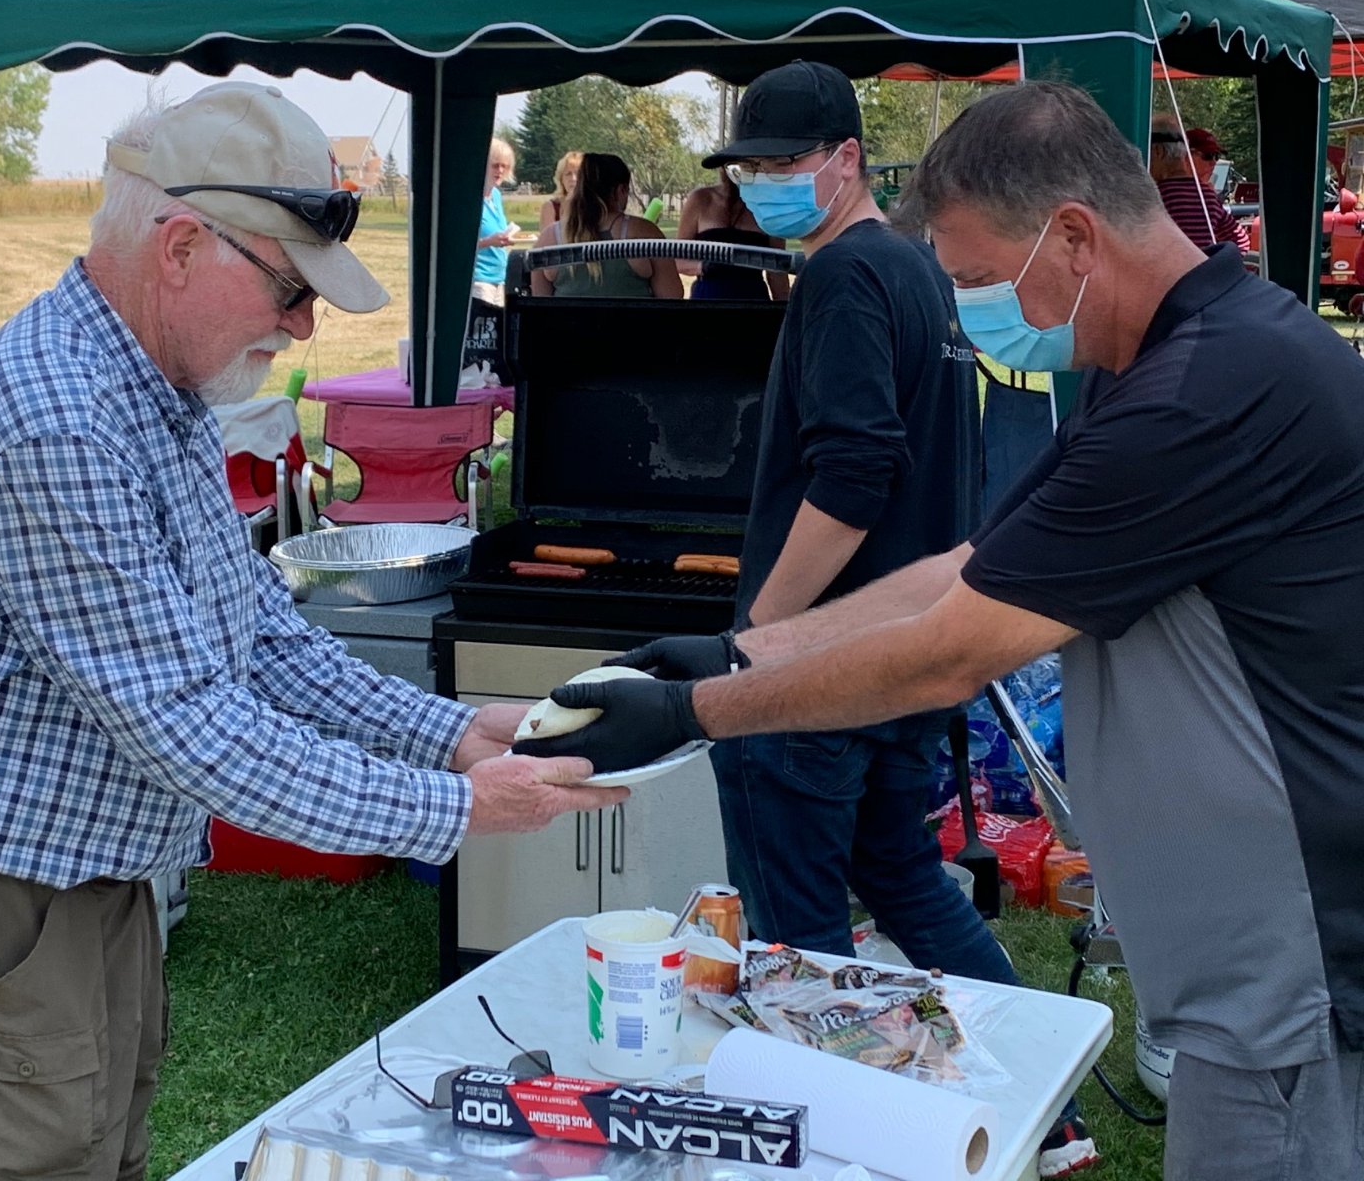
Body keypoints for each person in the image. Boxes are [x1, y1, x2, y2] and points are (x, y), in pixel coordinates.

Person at [521, 79, 1364, 1181]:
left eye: (972, 279)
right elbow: (965, 568)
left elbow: (953, 649)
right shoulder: (1157, 366)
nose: (965, 307)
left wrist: (695, 712)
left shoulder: (1206, 393)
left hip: (1295, 970)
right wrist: (740, 651)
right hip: (1246, 964)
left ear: (1073, 236)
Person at [0, 82, 624, 1181]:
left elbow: (259, 634)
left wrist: (452, 732)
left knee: (88, 1154)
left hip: (72, 877)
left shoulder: (155, 389)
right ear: (183, 246)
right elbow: (190, 727)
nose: (302, 325)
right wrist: (455, 808)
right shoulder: (58, 421)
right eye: (291, 288)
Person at [523, 62, 1098, 1179]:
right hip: (899, 662)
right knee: (905, 880)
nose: (765, 185)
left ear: (846, 159)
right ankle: (1048, 1110)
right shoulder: (925, 271)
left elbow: (853, 477)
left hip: (818, 675)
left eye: (787, 163)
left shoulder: (841, 276)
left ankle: (830, 1144)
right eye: (751, 168)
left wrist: (752, 647)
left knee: (798, 939)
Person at [530, 153, 682, 298]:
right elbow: (673, 296)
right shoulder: (644, 233)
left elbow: (539, 303)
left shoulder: (550, 238)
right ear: (621, 190)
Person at [675, 170, 790, 300]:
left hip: (753, 299)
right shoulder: (701, 199)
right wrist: (705, 266)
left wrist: (784, 306)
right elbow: (678, 261)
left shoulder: (769, 206)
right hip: (707, 298)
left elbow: (777, 272)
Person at [1150, 113, 1249, 252]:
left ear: (1157, 151)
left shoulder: (1155, 196)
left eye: (1216, 156)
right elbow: (1241, 241)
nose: (1214, 162)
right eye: (1208, 156)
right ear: (1185, 153)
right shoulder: (1208, 196)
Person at [473, 136, 516, 305]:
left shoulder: (496, 196)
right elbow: (459, 245)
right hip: (479, 279)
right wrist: (489, 241)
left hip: (500, 278)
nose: (500, 171)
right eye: (495, 165)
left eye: (504, 166)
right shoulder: (472, 199)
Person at [538, 150, 582, 236]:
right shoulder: (551, 207)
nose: (573, 178)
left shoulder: (597, 206)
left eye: (578, 173)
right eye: (568, 174)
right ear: (561, 179)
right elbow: (548, 239)